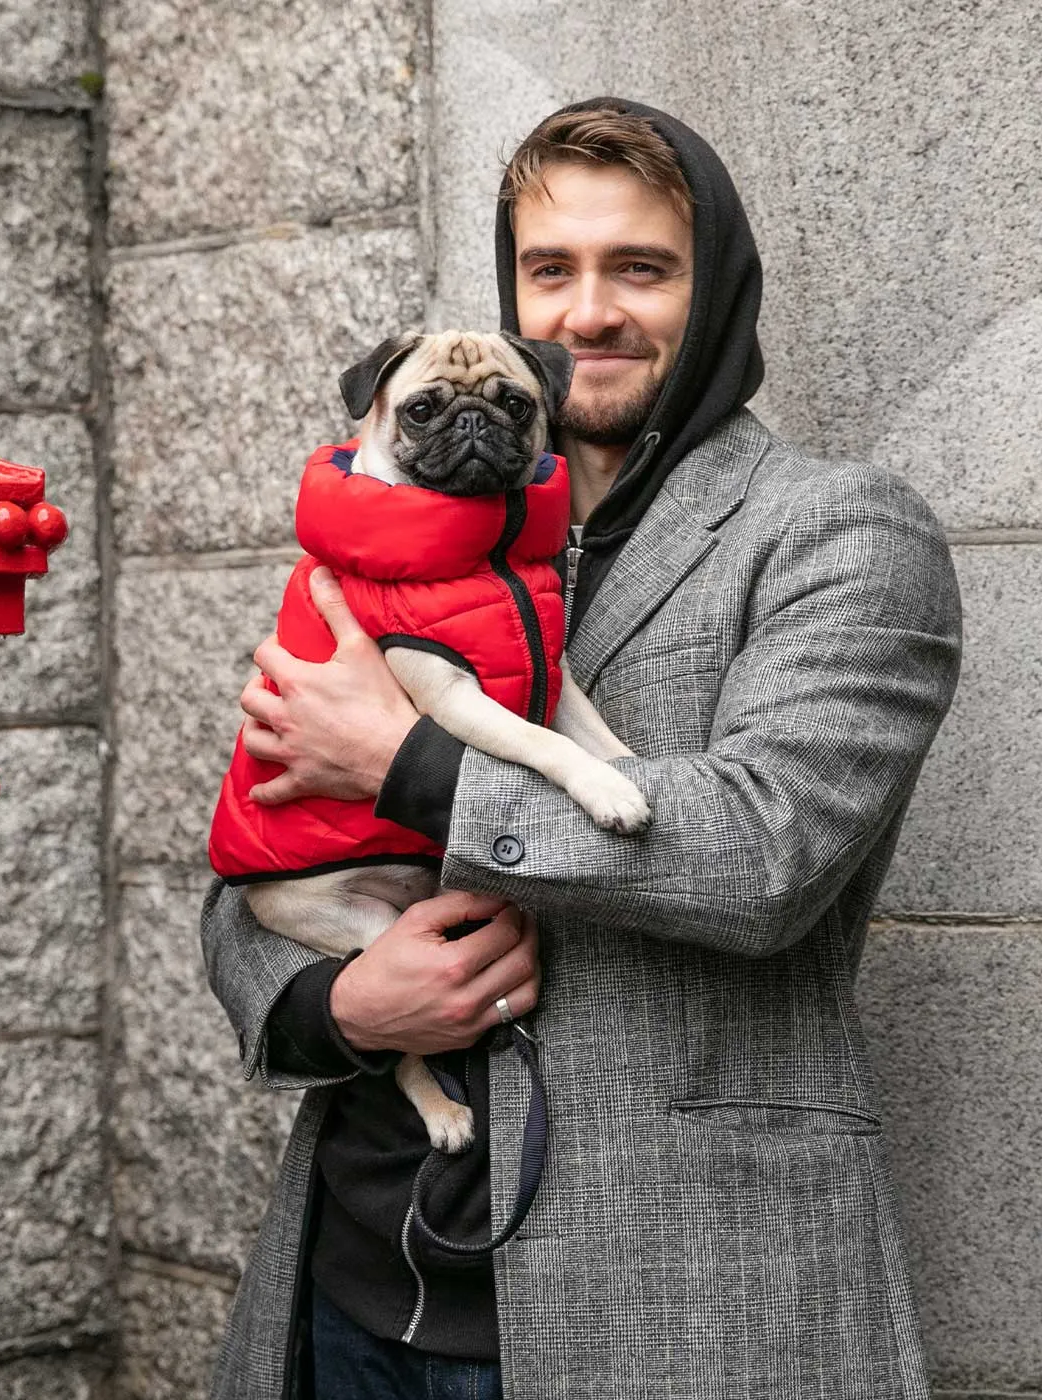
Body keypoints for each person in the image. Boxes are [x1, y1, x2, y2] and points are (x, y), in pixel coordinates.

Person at [200, 97, 961, 1400]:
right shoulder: (389, 547)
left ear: (712, 288)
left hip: (667, 1301)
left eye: (642, 269)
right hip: (351, 1279)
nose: (589, 312)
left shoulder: (840, 532)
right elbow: (252, 854)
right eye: (551, 271)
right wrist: (334, 1004)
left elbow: (765, 850)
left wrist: (411, 767)